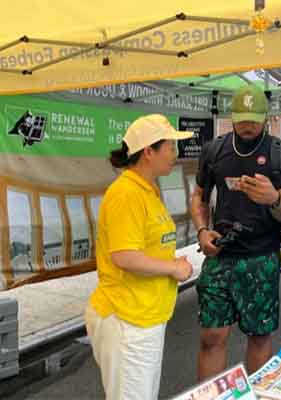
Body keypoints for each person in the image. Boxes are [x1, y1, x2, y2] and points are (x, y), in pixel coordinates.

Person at [191, 85, 281, 380]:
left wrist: (273, 198)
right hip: (220, 254)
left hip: (261, 256)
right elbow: (199, 196)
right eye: (242, 118)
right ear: (232, 116)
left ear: (266, 117)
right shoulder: (215, 150)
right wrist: (202, 231)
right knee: (212, 335)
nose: (247, 124)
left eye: (254, 118)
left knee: (259, 336)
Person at [85, 114, 194, 400]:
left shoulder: (146, 190)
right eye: (170, 147)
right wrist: (172, 268)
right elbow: (125, 256)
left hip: (144, 314)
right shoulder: (126, 194)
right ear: (148, 151)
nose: (175, 154)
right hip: (127, 318)